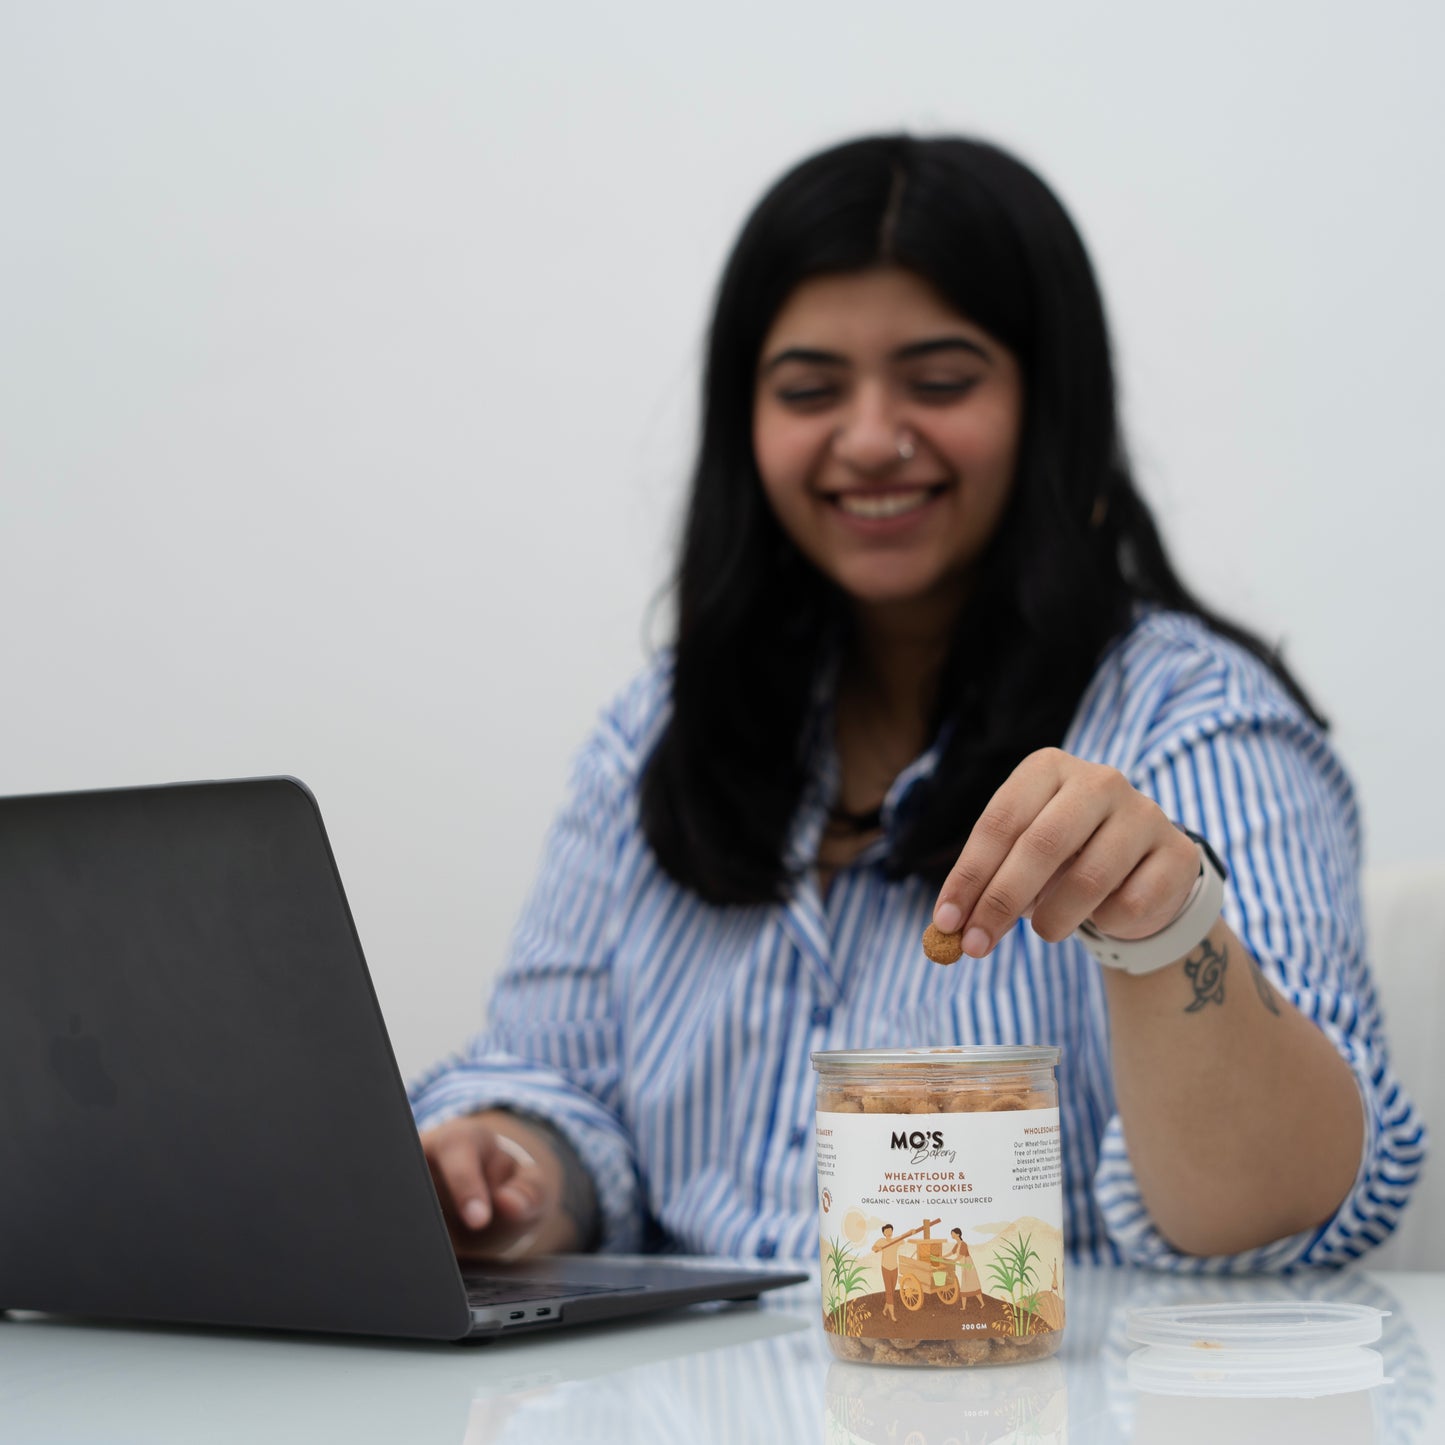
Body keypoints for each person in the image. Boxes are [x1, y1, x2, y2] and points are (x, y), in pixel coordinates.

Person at [410, 134, 1422, 1271]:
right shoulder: (653, 730)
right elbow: (551, 1080)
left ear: (1050, 406)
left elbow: (1275, 1203)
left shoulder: (1191, 721)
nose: (871, 438)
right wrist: (506, 1169)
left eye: (940, 382)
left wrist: (1164, 924)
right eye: (807, 390)